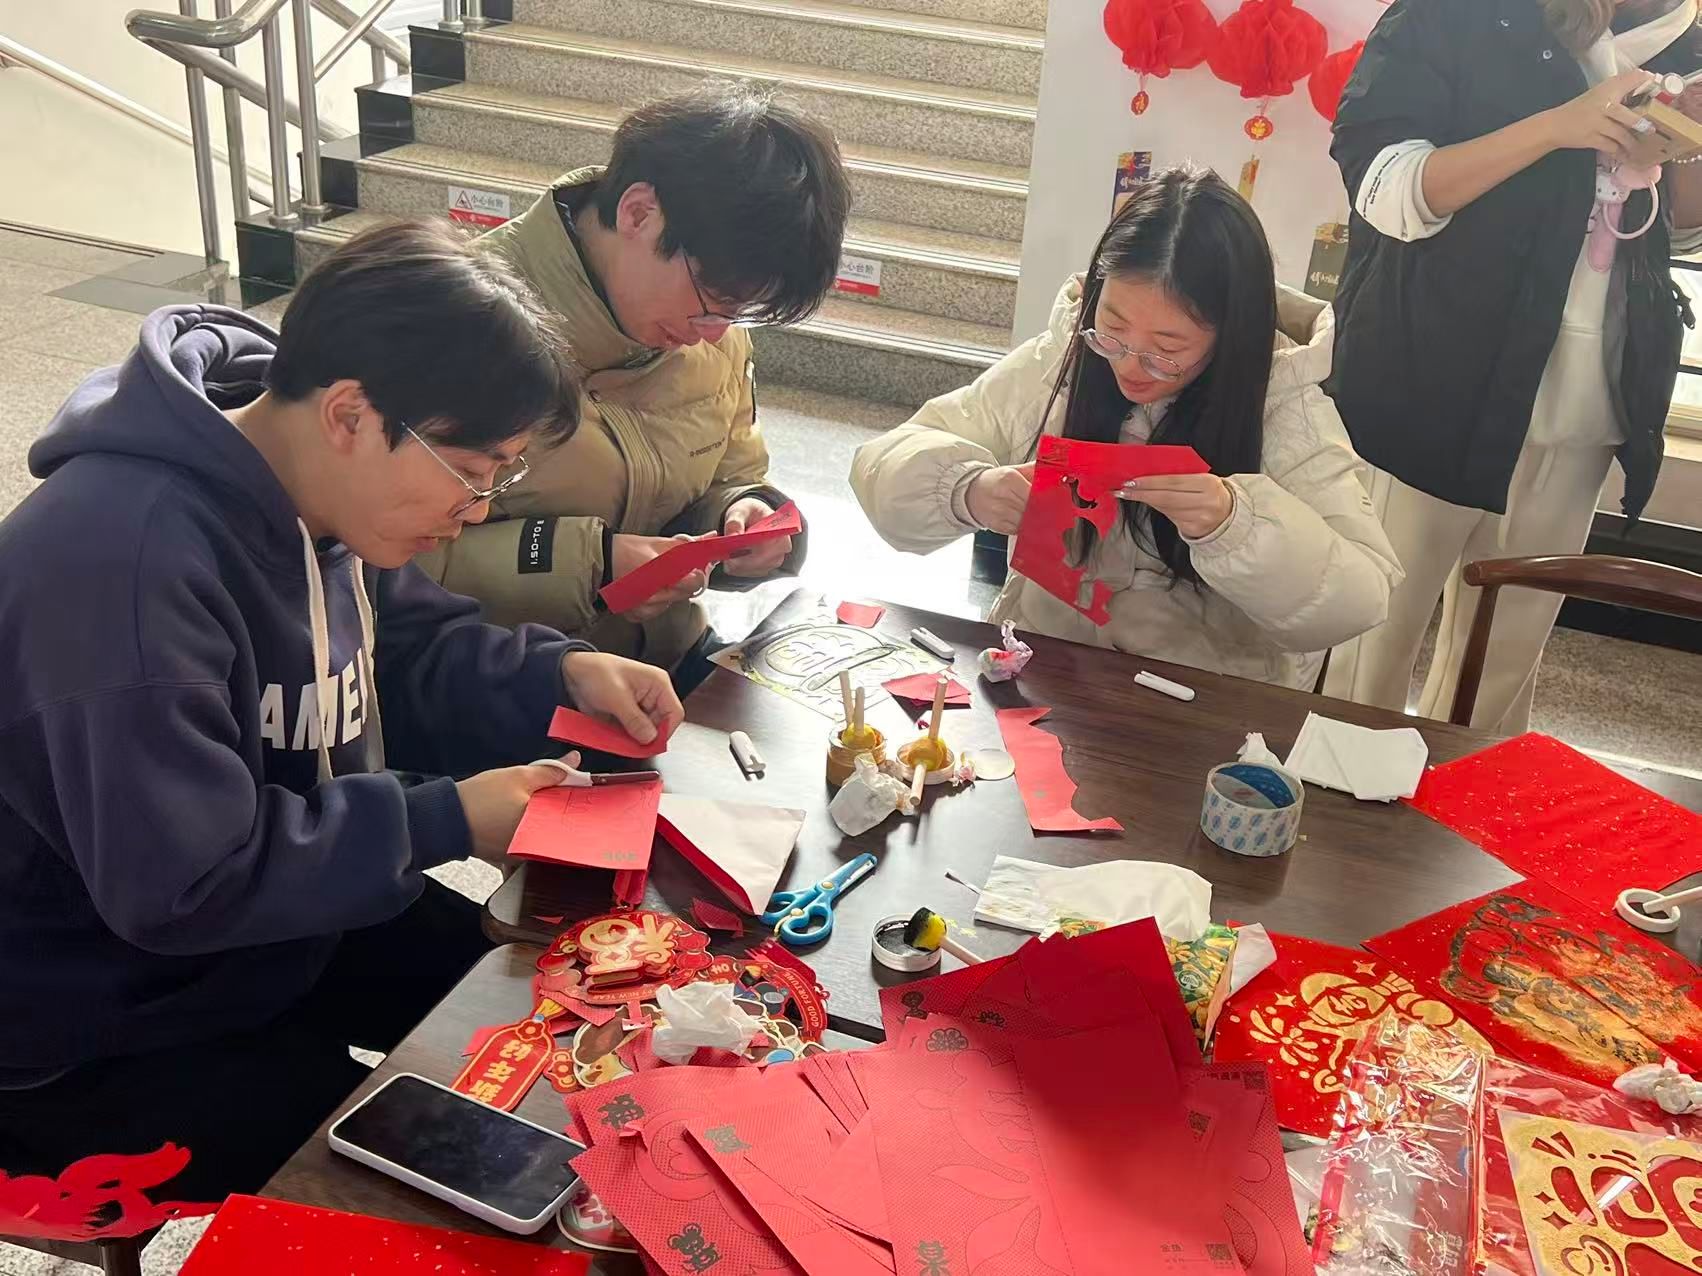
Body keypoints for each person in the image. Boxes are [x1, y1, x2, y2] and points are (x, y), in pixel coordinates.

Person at [0, 221, 684, 1208]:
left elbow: (406, 649)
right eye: (472, 470)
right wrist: (445, 818)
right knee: (429, 1183)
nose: (479, 508)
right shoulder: (122, 568)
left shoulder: (311, 489)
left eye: (500, 475)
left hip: (268, 922)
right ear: (351, 414)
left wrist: (563, 674)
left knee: (560, 1010)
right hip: (91, 1015)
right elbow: (184, 885)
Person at [850, 167, 1401, 690]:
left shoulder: (1285, 404)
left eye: (1166, 349)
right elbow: (886, 461)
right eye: (1111, 329)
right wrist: (967, 490)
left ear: (1231, 337)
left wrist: (1236, 525)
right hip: (1042, 670)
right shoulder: (1059, 362)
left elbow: (1359, 598)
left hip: (1199, 704)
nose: (1130, 366)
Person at [1322, 0, 1700, 730]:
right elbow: (1385, 189)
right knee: (1366, 651)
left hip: (1586, 404)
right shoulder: (1459, 14)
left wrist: (1683, 148)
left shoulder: (1686, 46)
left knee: (1498, 680)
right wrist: (1558, 127)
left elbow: (1677, 235)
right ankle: (1339, 799)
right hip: (1431, 381)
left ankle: (1468, 802)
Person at [413, 84, 853, 688]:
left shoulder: (711, 330)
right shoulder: (453, 320)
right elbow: (380, 561)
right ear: (639, 213)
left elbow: (730, 475)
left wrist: (740, 516)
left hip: (666, 663)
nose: (713, 333)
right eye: (712, 301)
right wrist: (590, 563)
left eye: (740, 313)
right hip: (497, 683)